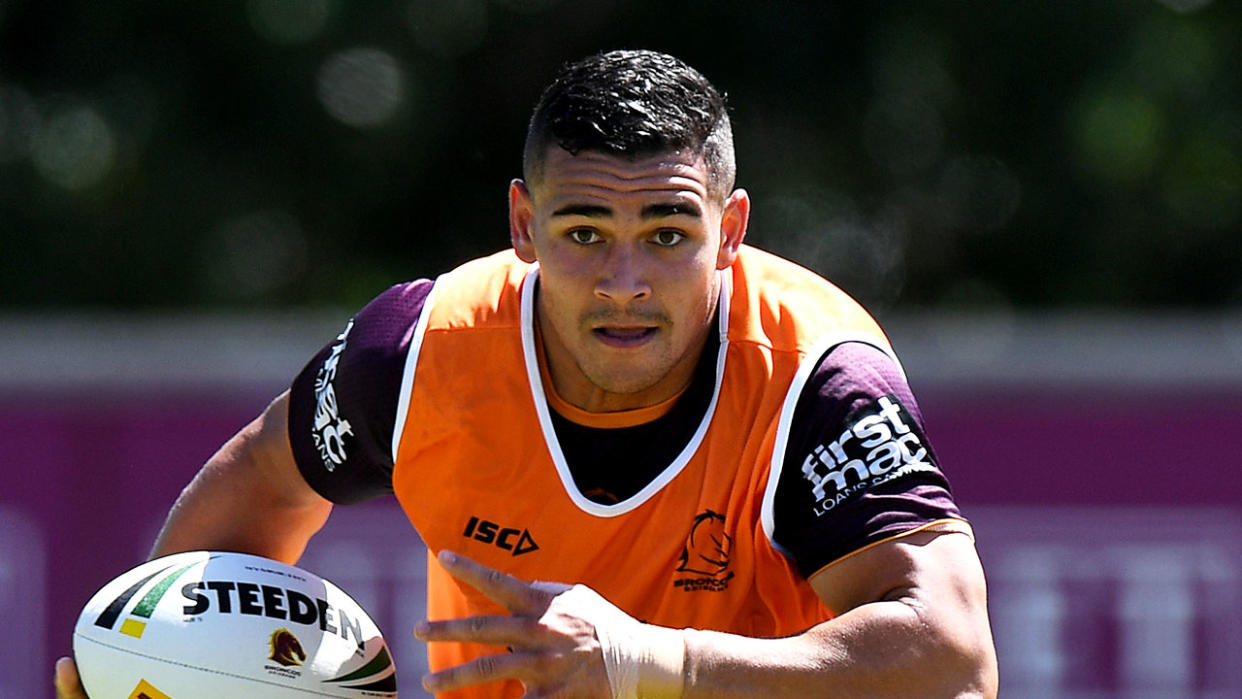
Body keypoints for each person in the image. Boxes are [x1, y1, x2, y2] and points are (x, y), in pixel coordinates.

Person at [56, 49, 998, 698]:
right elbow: (268, 479)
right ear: (522, 226)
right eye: (584, 233)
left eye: (668, 235)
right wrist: (154, 657)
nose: (624, 284)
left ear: (732, 234)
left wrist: (647, 660)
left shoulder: (812, 381)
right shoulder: (426, 349)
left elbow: (953, 659)